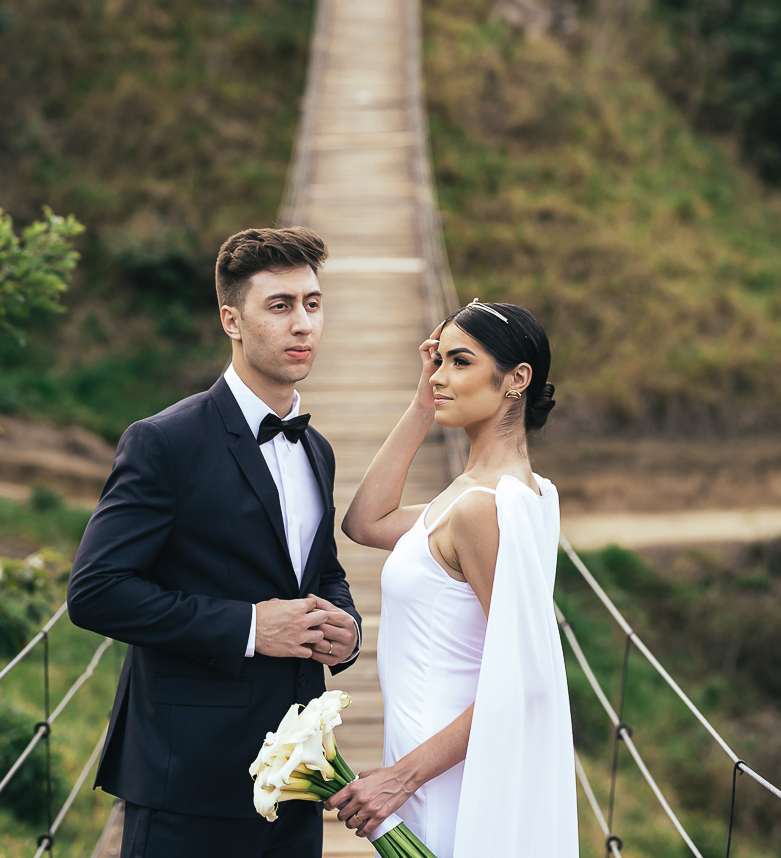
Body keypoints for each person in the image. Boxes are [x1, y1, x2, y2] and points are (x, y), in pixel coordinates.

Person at [67, 226, 361, 858]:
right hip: (187, 777)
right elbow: (95, 592)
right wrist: (252, 628)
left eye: (312, 303)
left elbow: (320, 569)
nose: (302, 324)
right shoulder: (163, 441)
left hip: (295, 776)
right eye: (279, 306)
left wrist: (346, 624)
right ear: (232, 319)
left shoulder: (316, 449)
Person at [328, 299, 579, 858]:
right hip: (428, 760)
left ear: (516, 379)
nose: (440, 376)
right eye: (437, 361)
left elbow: (525, 678)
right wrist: (424, 403)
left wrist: (402, 777)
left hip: (442, 774)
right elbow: (366, 523)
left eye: (459, 362)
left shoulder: (481, 509)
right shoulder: (498, 493)